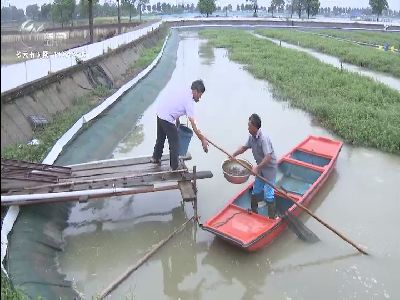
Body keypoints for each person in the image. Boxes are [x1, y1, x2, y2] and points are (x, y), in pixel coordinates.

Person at [151, 80, 209, 170]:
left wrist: (177, 120)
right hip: (167, 117)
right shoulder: (189, 102)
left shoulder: (185, 90)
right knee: (175, 143)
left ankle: (156, 158)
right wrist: (203, 140)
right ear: (195, 91)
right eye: (199, 95)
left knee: (161, 138)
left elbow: (175, 102)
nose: (199, 98)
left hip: (160, 111)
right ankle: (174, 167)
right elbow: (194, 125)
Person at [232, 114, 277, 218]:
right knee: (256, 190)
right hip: (260, 168)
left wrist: (257, 168)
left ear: (254, 127)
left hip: (269, 169)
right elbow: (244, 148)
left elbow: (268, 157)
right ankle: (254, 212)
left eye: (249, 126)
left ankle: (272, 218)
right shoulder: (251, 138)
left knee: (268, 195)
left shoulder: (263, 138)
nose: (247, 128)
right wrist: (233, 155)